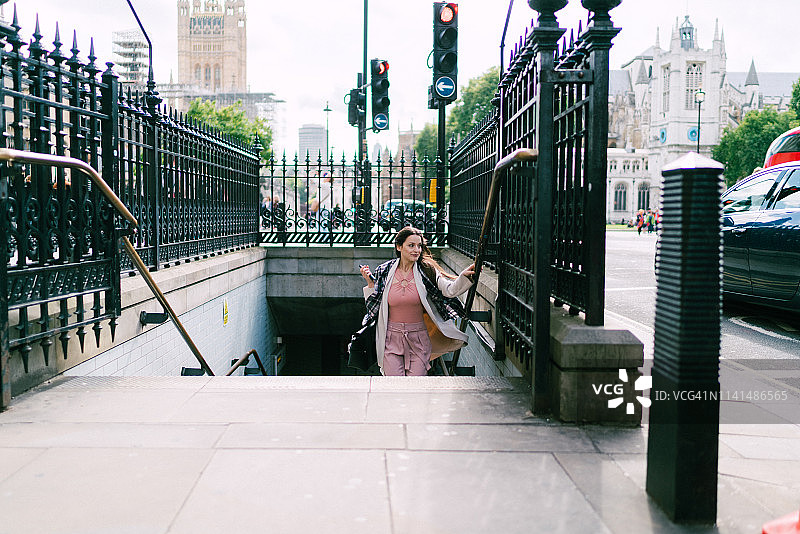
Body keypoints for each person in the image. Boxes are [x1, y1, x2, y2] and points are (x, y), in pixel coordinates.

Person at [359, 226, 475, 376]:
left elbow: (449, 290)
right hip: (391, 339)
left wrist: (464, 277)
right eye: (411, 245)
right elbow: (374, 307)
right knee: (395, 386)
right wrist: (370, 284)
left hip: (419, 339)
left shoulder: (426, 271)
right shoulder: (384, 271)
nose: (416, 250)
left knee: (416, 388)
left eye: (419, 246)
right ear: (399, 247)